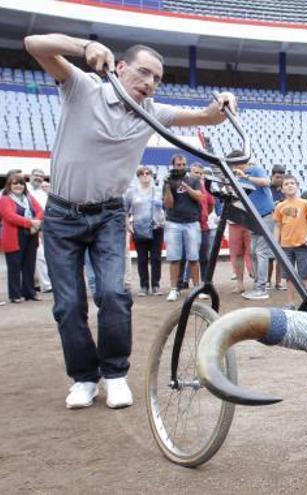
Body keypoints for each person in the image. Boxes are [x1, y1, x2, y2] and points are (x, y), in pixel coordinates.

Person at [25, 33, 236, 409]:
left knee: (113, 294)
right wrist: (83, 47)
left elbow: (208, 117)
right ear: (120, 68)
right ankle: (84, 379)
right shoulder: (82, 86)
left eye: (157, 78)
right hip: (61, 215)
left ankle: (115, 374)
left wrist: (223, 103)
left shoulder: (152, 111)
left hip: (107, 214)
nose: (150, 83)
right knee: (69, 305)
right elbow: (34, 44)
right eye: (143, 73)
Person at [229, 150, 275, 301]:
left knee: (261, 252)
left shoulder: (255, 169)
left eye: (233, 164)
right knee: (253, 252)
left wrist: (246, 177)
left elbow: (267, 182)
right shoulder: (239, 176)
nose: (233, 168)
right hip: (253, 217)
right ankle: (258, 285)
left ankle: (261, 288)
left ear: (239, 162)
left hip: (266, 215)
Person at [163, 154, 204, 302]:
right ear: (173, 165)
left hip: (192, 222)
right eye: (178, 164)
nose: (180, 167)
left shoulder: (193, 180)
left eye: (183, 164)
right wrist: (168, 187)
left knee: (194, 257)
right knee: (174, 258)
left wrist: (186, 187)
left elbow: (200, 197)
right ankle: (174, 289)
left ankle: (197, 288)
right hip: (173, 222)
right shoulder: (168, 181)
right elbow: (168, 204)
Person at [272, 176, 307, 308]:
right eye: (286, 184)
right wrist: (276, 243)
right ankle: (290, 302)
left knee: (305, 274)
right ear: (282, 189)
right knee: (289, 275)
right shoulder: (280, 206)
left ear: (297, 186)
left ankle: (306, 301)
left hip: (302, 245)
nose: (290, 185)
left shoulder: (305, 203)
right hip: (286, 246)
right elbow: (277, 225)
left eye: (292, 183)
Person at [1, 172, 43, 303]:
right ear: (9, 186)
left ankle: (29, 292)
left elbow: (40, 210)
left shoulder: (29, 197)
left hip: (31, 234)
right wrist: (30, 222)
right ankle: (15, 295)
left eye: (21, 183)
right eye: (15, 183)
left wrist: (35, 222)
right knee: (15, 266)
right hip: (14, 235)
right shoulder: (5, 199)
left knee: (29, 265)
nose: (18, 186)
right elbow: (9, 216)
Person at [124, 166, 164, 296]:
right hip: (139, 228)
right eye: (142, 173)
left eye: (148, 173)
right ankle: (144, 285)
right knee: (142, 259)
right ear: (138, 176)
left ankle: (156, 285)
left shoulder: (158, 191)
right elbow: (124, 210)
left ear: (152, 175)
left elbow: (167, 207)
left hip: (156, 227)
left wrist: (164, 220)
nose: (145, 175)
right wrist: (128, 226)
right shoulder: (132, 192)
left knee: (156, 258)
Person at [190, 163, 216, 283]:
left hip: (203, 226)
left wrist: (204, 215)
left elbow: (211, 204)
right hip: (189, 225)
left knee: (203, 256)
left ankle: (205, 281)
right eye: (196, 172)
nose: (199, 175)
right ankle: (183, 281)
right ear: (190, 173)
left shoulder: (205, 188)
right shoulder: (185, 186)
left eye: (201, 173)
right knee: (188, 255)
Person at [28, 168, 52, 294]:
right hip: (29, 226)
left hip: (44, 226)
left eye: (41, 176)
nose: (38, 178)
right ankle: (42, 284)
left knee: (42, 256)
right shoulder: (25, 189)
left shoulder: (44, 193)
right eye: (36, 175)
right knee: (36, 257)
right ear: (30, 176)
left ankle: (43, 284)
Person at [267, 165, 285, 290]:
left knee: (280, 256)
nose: (279, 179)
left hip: (283, 225)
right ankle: (267, 281)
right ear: (272, 176)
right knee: (269, 256)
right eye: (277, 177)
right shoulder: (266, 188)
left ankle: (278, 282)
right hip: (268, 224)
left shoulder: (285, 189)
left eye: (281, 177)